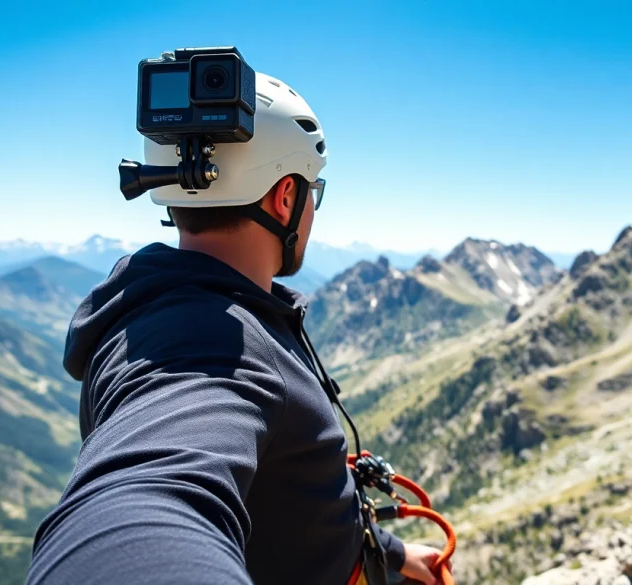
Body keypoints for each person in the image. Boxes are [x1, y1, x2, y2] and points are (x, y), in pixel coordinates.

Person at [26, 71, 449, 584]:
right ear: (286, 197)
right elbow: (139, 507)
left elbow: (280, 499)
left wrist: (390, 551)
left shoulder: (179, 308)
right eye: (312, 189)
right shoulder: (213, 345)